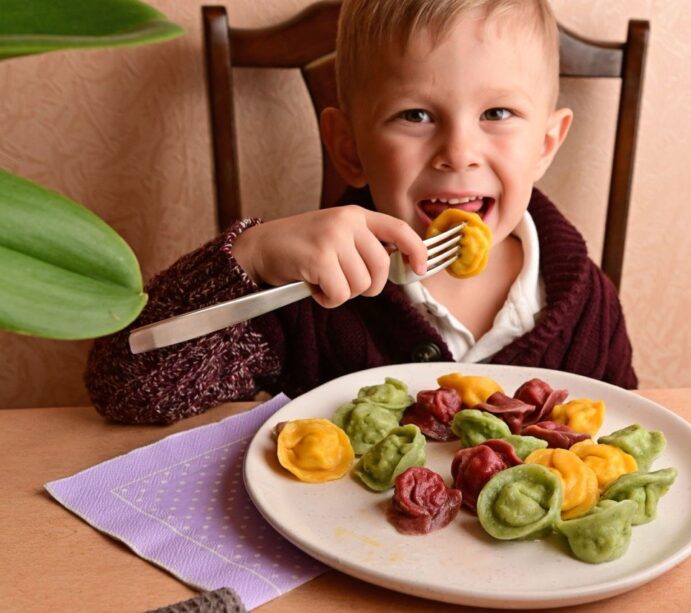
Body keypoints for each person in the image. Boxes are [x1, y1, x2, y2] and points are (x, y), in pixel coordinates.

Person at [85, 0, 638, 425]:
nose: (459, 152)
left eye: (497, 112)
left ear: (545, 145)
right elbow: (125, 386)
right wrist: (249, 258)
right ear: (348, 147)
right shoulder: (308, 300)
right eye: (416, 114)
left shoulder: (585, 307)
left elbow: (621, 437)